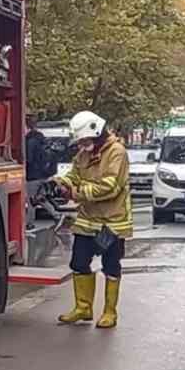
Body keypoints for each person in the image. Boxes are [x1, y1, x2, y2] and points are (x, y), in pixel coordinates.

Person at [55, 110, 131, 329]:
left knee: (110, 265)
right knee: (78, 263)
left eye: (85, 140)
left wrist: (75, 193)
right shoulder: (83, 154)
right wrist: (60, 183)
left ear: (97, 133)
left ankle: (109, 312)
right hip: (88, 220)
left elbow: (110, 187)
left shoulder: (117, 152)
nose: (82, 145)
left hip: (112, 222)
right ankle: (83, 308)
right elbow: (74, 175)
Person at [25, 115, 55, 181]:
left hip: (32, 176)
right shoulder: (41, 137)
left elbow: (29, 159)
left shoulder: (29, 140)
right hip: (44, 176)